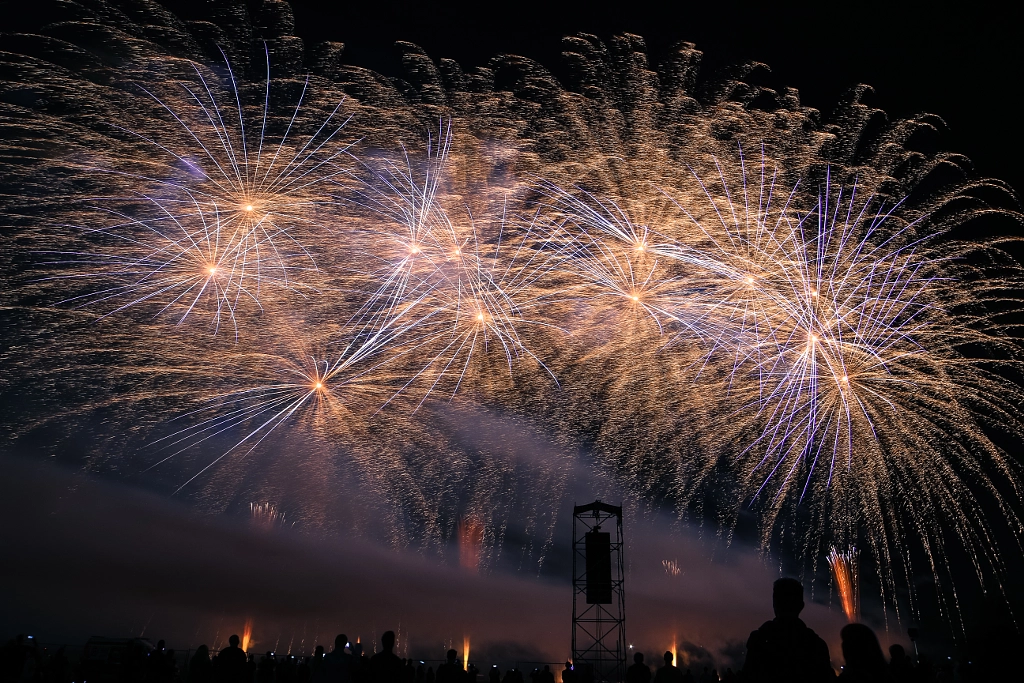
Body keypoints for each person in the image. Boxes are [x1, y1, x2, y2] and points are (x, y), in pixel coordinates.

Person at [742, 578, 834, 683]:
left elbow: (748, 677)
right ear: (801, 606)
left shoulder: (759, 639)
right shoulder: (816, 645)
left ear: (775, 604)